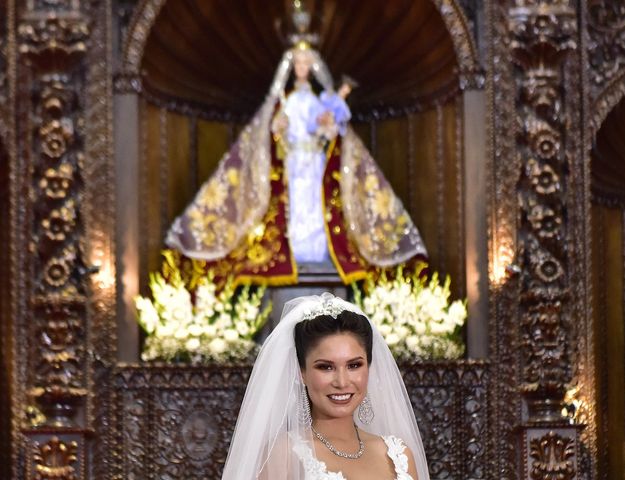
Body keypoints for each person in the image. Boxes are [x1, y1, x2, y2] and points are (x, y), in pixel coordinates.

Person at [165, 41, 427, 286]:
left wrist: (327, 126)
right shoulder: (285, 99)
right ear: (293, 68)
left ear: (311, 68)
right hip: (293, 160)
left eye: (306, 64)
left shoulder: (319, 99)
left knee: (315, 202)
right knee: (294, 202)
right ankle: (296, 248)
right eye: (298, 64)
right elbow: (275, 130)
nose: (302, 68)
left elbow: (332, 133)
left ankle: (316, 250)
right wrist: (281, 126)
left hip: (314, 160)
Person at [222, 293, 430, 479]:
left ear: (369, 367)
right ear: (301, 373)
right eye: (326, 367)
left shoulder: (399, 455)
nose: (342, 382)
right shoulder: (283, 454)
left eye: (354, 365)